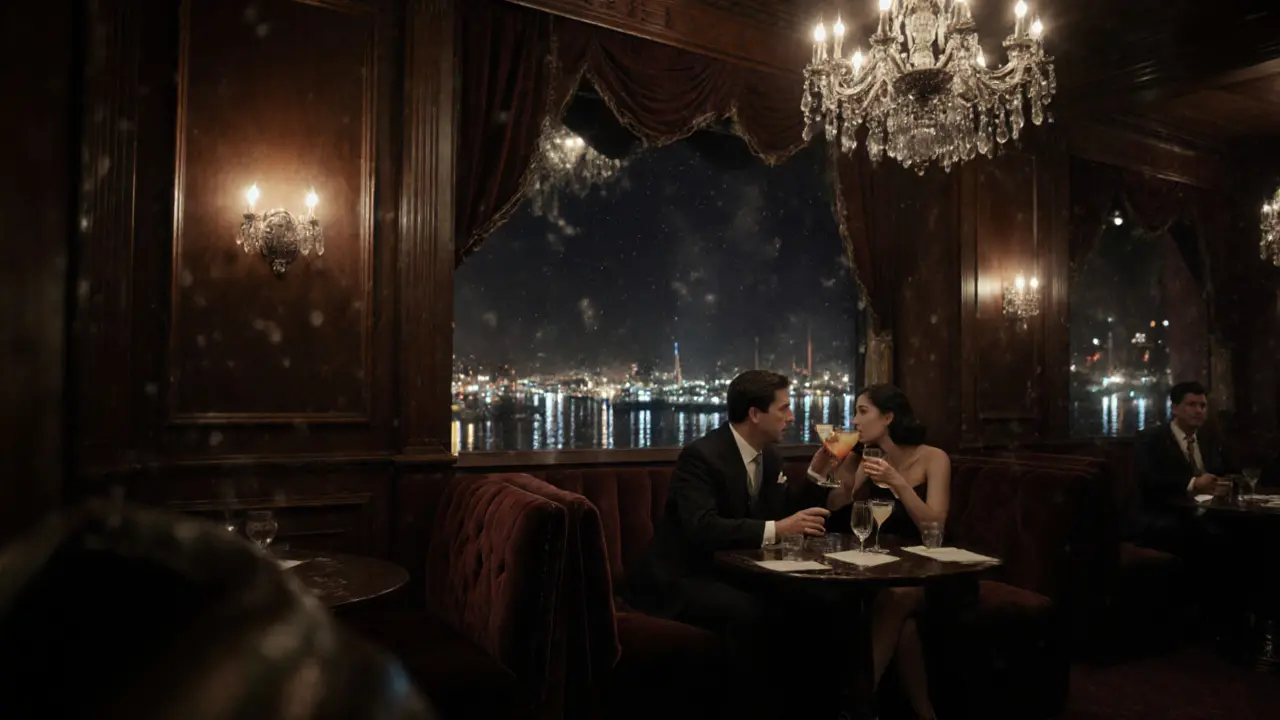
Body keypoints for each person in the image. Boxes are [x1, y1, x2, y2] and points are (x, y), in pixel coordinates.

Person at [627, 370, 858, 717]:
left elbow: (787, 518)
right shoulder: (701, 456)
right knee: (748, 612)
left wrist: (814, 474)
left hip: (734, 572)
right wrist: (778, 528)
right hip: (681, 576)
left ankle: (841, 707)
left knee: (831, 599)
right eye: (783, 409)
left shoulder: (770, 457)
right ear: (754, 413)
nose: (792, 417)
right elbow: (702, 527)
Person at [838, 384, 951, 720]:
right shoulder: (863, 458)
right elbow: (838, 511)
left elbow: (934, 527)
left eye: (862, 411)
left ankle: (856, 705)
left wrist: (897, 481)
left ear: (888, 417)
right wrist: (834, 465)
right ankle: (924, 712)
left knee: (897, 598)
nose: (854, 420)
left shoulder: (933, 457)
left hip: (935, 572)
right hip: (884, 569)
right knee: (905, 627)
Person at [1134, 381, 1230, 555]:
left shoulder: (1209, 438)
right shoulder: (1151, 438)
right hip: (1163, 513)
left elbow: (1221, 471)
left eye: (1203, 406)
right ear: (1175, 408)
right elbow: (1149, 480)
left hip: (1207, 511)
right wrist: (1193, 483)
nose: (1199, 411)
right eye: (1192, 404)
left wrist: (1222, 484)